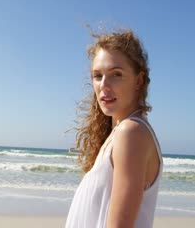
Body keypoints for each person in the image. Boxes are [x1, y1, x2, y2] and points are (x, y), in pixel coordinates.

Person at [65, 29, 163, 228]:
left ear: (139, 81)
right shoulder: (119, 133)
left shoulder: (131, 133)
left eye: (116, 74)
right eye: (97, 76)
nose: (104, 85)